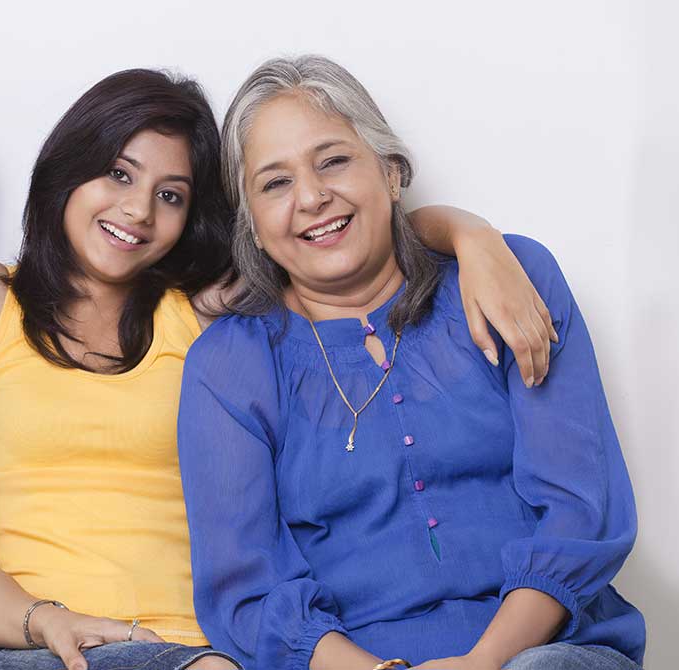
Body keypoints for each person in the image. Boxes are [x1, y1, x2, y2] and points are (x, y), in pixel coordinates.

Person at [0, 68, 557, 670]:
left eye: (172, 194)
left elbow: (337, 247)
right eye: (117, 174)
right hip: (29, 648)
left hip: (203, 650)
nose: (138, 211)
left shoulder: (210, 313)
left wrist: (469, 235)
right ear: (68, 173)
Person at [177, 55, 645, 670]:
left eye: (334, 160)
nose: (314, 197)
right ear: (254, 227)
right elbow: (247, 588)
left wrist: (482, 663)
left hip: (544, 651)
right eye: (275, 183)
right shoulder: (231, 364)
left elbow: (580, 508)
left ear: (391, 173)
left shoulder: (508, 281)